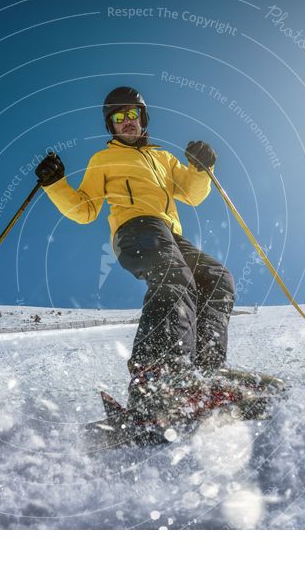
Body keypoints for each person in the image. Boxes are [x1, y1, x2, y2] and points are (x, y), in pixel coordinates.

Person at [35, 86, 236, 417]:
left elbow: (192, 194)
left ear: (142, 119)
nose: (126, 121)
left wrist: (200, 168)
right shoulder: (104, 159)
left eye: (132, 115)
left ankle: (206, 373)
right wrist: (55, 184)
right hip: (135, 229)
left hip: (169, 232)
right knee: (175, 278)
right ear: (111, 126)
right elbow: (85, 209)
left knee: (217, 279)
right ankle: (156, 374)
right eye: (118, 117)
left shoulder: (163, 158)